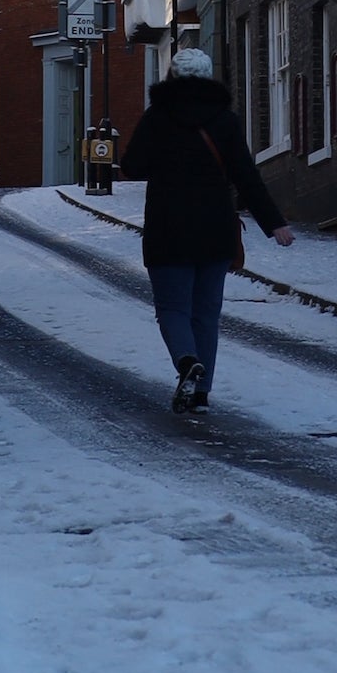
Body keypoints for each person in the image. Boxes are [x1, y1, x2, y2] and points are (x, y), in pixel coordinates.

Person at [119, 45, 294, 412]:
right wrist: (274, 223)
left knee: (172, 308)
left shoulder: (157, 117)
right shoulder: (224, 120)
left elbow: (132, 166)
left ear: (172, 77)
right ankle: (201, 394)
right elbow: (246, 176)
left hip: (168, 229)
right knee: (206, 313)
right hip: (216, 229)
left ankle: (186, 360)